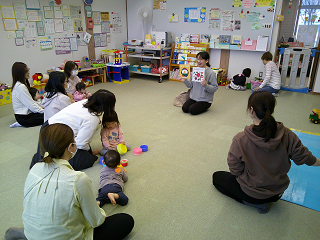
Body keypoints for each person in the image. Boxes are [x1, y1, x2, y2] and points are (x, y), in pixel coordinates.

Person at [4, 123, 134, 240]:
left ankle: (27, 234)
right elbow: (96, 220)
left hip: (32, 232)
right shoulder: (78, 179)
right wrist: (100, 214)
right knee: (125, 220)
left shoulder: (35, 168)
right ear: (70, 147)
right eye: (74, 141)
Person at [212, 91, 320, 214]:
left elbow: (235, 169)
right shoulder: (288, 135)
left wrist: (247, 179)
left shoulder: (241, 139)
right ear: (272, 109)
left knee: (217, 177)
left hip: (252, 193)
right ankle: (261, 201)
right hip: (277, 192)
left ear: (251, 110)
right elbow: (307, 159)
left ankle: (254, 203)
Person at [31, 89, 116, 171]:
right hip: (54, 135)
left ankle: (45, 154)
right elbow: (80, 144)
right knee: (87, 159)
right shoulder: (92, 119)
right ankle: (50, 161)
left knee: (86, 152)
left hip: (47, 127)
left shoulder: (85, 102)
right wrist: (88, 149)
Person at [10, 62, 44, 128]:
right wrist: (43, 111)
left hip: (28, 113)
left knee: (48, 113)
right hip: (24, 118)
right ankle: (20, 123)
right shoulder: (20, 87)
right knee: (49, 116)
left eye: (28, 69)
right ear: (20, 73)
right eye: (26, 71)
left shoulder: (21, 84)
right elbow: (31, 104)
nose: (28, 72)